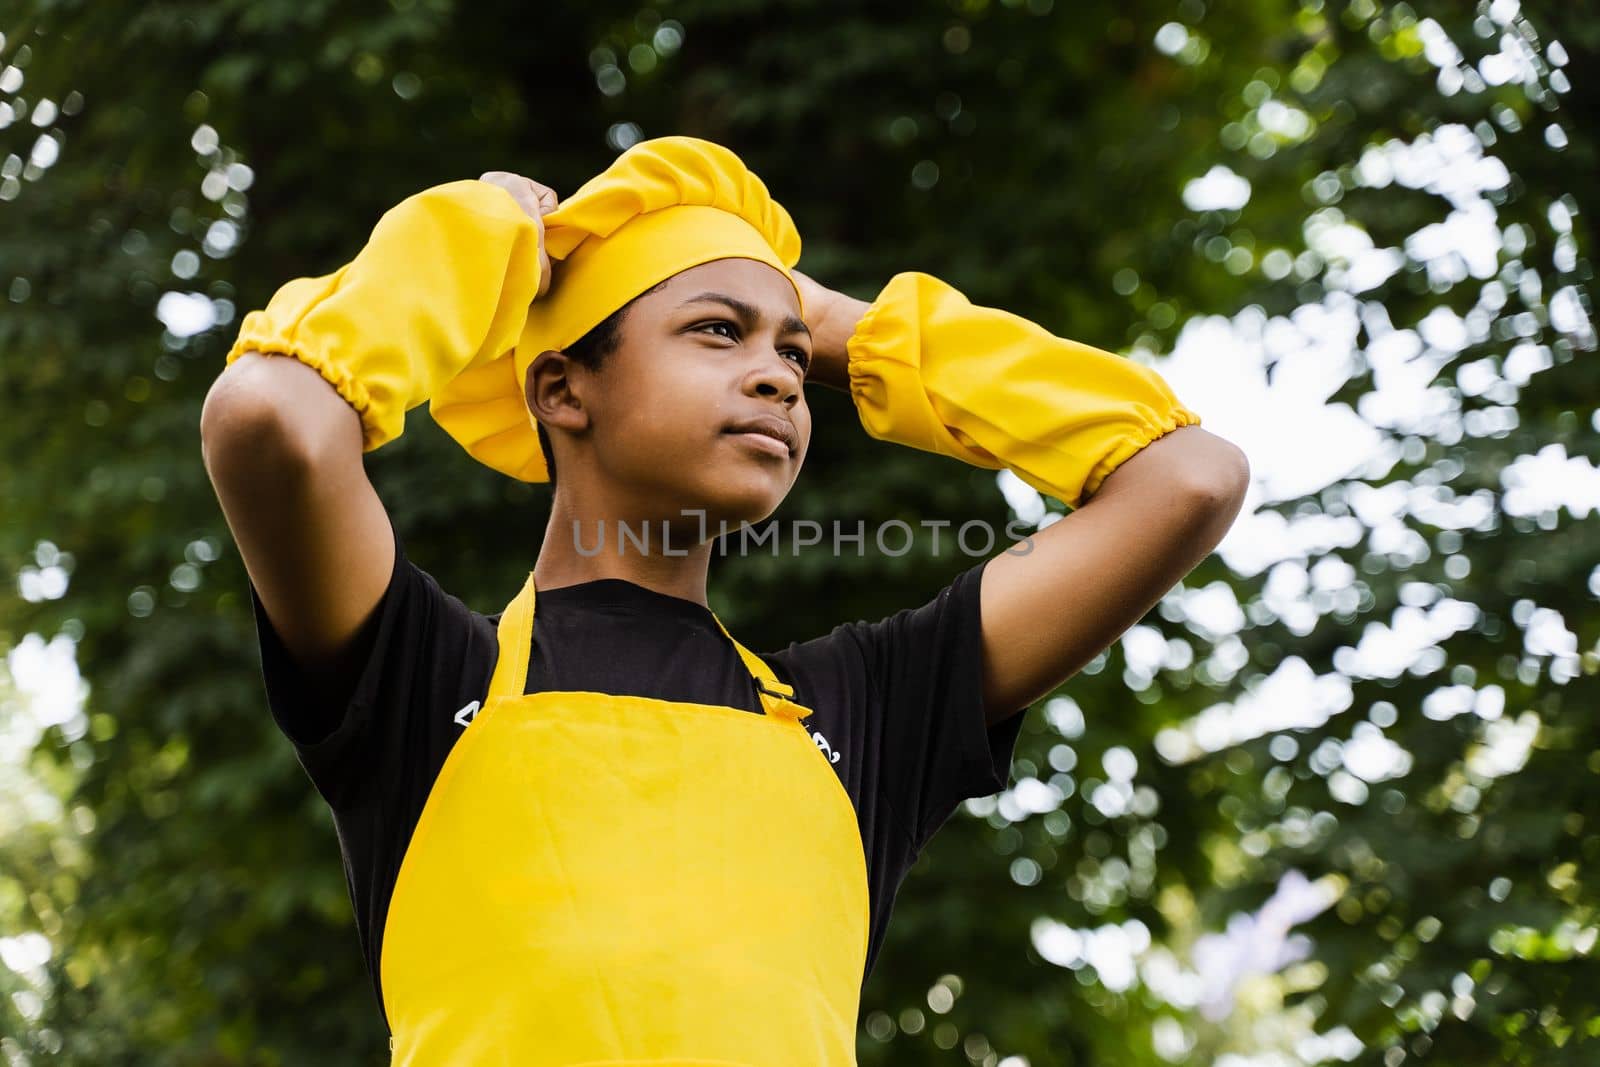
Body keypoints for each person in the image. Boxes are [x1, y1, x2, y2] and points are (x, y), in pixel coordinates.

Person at [200, 136, 1249, 1065]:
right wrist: (483, 238)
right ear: (561, 388)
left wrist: (850, 328)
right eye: (717, 331)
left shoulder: (860, 711)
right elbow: (269, 418)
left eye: (791, 353)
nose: (781, 378)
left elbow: (1186, 477)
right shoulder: (425, 678)